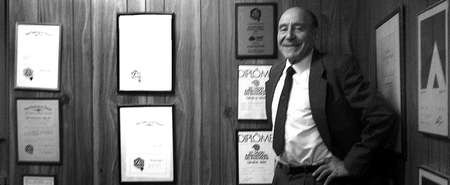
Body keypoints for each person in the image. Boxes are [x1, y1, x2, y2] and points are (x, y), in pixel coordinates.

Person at [266, 7, 397, 185]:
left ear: (314, 34)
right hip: (281, 175)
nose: (289, 35)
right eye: (283, 28)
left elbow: (382, 116)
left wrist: (350, 164)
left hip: (319, 178)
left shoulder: (338, 68)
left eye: (298, 28)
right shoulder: (275, 73)